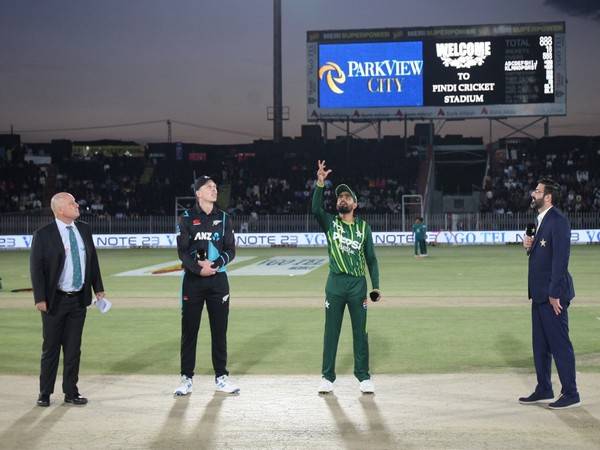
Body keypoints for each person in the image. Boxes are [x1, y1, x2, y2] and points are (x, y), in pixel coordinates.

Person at [30, 192, 105, 407]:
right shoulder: (43, 235)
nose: (77, 205)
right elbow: (36, 269)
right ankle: (44, 393)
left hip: (78, 299)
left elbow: (93, 261)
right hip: (54, 300)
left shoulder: (84, 229)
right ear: (60, 209)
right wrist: (40, 298)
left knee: (73, 349)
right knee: (51, 348)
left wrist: (98, 288)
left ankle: (71, 392)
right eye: (72, 203)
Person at [312, 160, 381, 394]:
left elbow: (371, 259)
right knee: (331, 331)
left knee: (359, 332)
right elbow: (315, 209)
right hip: (335, 284)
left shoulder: (364, 228)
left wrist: (376, 286)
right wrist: (320, 184)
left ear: (355, 203)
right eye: (340, 197)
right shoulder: (330, 223)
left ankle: (363, 376)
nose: (342, 199)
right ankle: (327, 377)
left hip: (357, 285)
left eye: (347, 197)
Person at [173, 176, 239, 396]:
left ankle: (221, 377)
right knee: (189, 332)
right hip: (193, 281)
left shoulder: (224, 217)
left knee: (219, 332)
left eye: (215, 187)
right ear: (198, 193)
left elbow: (230, 249)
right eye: (208, 187)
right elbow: (183, 251)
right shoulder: (187, 218)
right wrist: (199, 268)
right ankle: (186, 379)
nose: (214, 190)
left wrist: (216, 264)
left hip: (219, 282)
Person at [520, 177, 580, 409]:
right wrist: (529, 246)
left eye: (537, 191)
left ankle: (571, 392)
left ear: (548, 197)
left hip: (553, 295)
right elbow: (541, 255)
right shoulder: (538, 220)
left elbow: (561, 260)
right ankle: (544, 387)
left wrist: (555, 293)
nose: (532, 194)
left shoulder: (558, 221)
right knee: (541, 345)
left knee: (559, 344)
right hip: (539, 294)